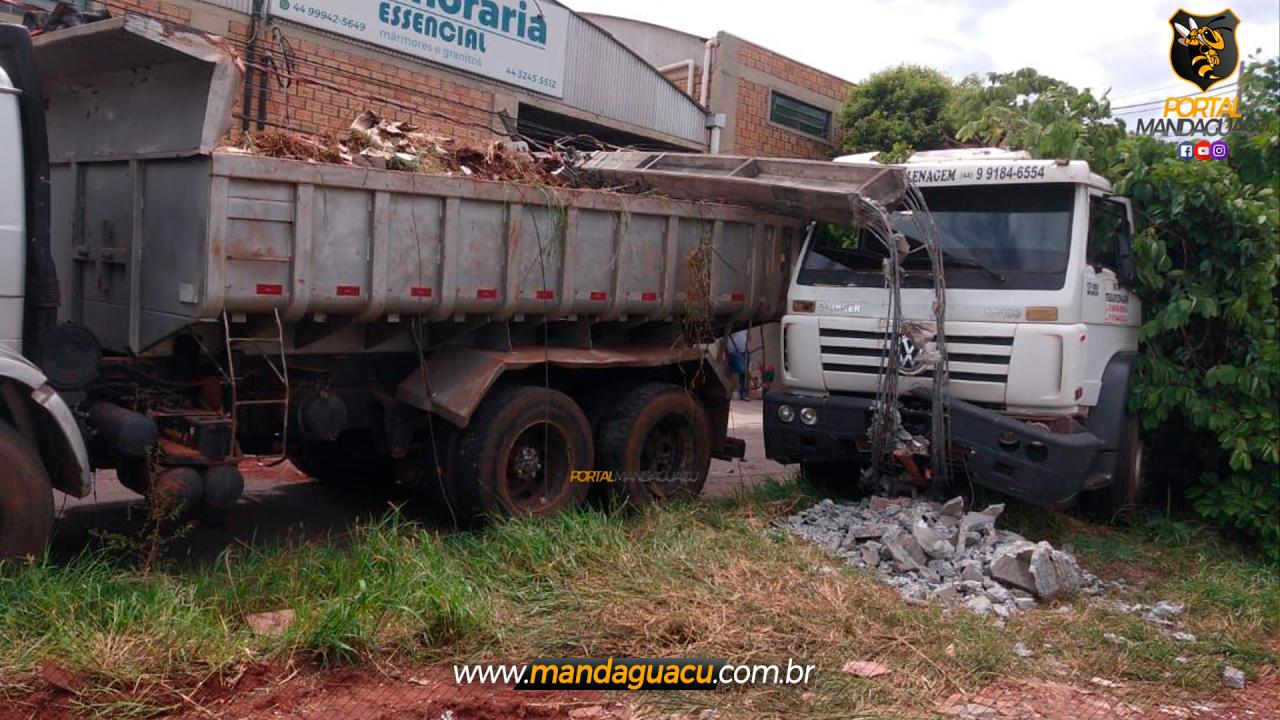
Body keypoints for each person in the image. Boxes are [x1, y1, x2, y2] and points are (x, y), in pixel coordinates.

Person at [726, 329, 750, 400]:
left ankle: (744, 394)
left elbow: (748, 336)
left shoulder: (744, 327)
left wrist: (748, 345)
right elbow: (724, 339)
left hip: (744, 351)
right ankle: (736, 391)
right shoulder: (735, 326)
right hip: (733, 351)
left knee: (745, 374)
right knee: (742, 369)